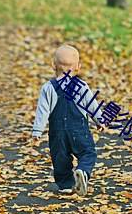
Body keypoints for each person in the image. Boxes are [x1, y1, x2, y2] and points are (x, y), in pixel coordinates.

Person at [32, 45, 105, 196]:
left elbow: (42, 111)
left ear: (54, 65)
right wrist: (100, 120)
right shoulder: (81, 86)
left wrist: (37, 130)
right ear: (78, 67)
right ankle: (83, 171)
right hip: (79, 130)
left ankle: (65, 185)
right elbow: (92, 105)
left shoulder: (48, 88)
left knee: (60, 158)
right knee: (88, 153)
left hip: (57, 132)